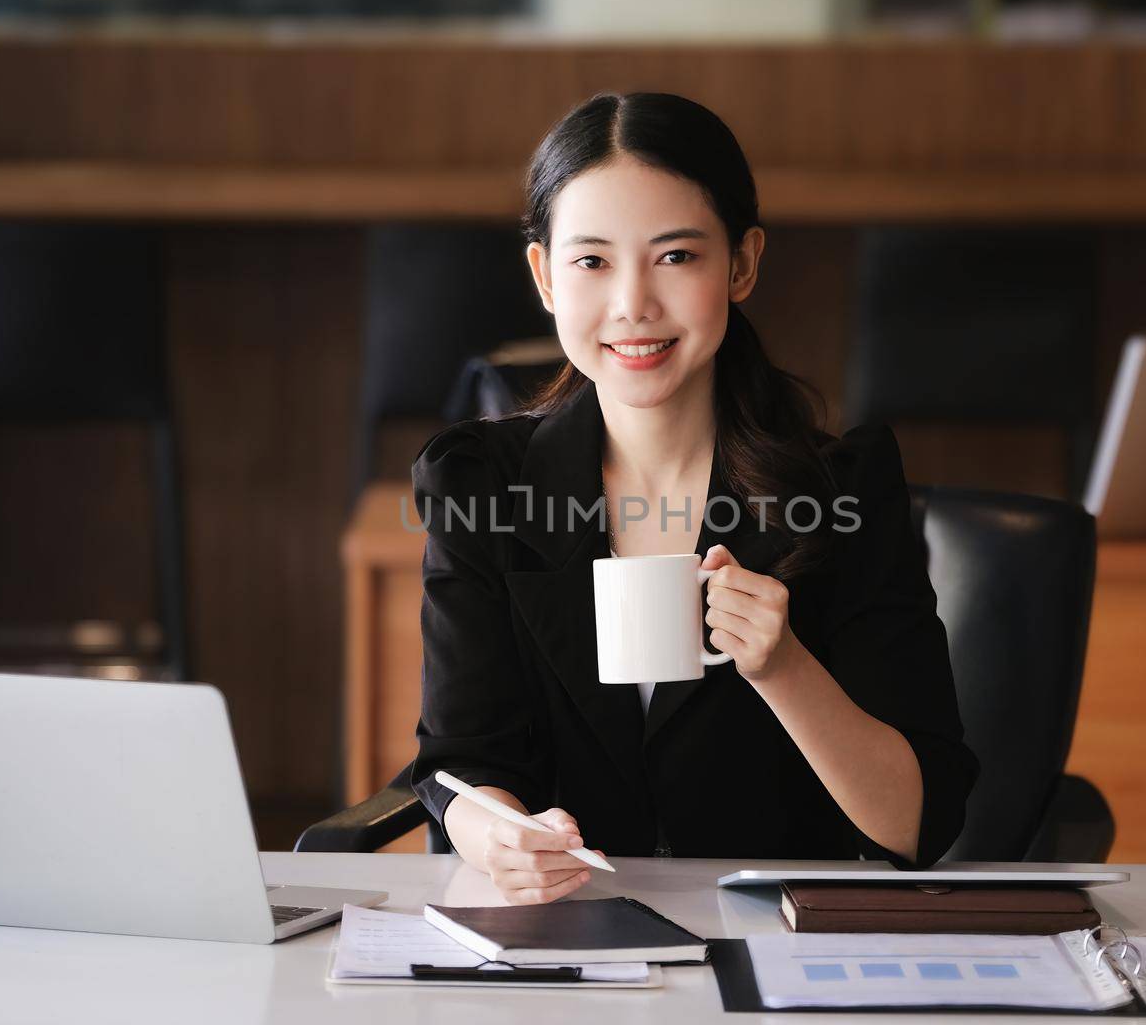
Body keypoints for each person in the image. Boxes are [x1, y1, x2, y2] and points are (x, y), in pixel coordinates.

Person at [409, 91, 977, 905]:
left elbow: (918, 825)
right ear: (543, 276)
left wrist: (783, 669)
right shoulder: (479, 484)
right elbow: (460, 762)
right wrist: (499, 835)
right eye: (592, 261)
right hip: (564, 933)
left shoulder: (840, 491)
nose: (634, 303)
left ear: (742, 263)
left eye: (676, 257)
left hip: (772, 942)